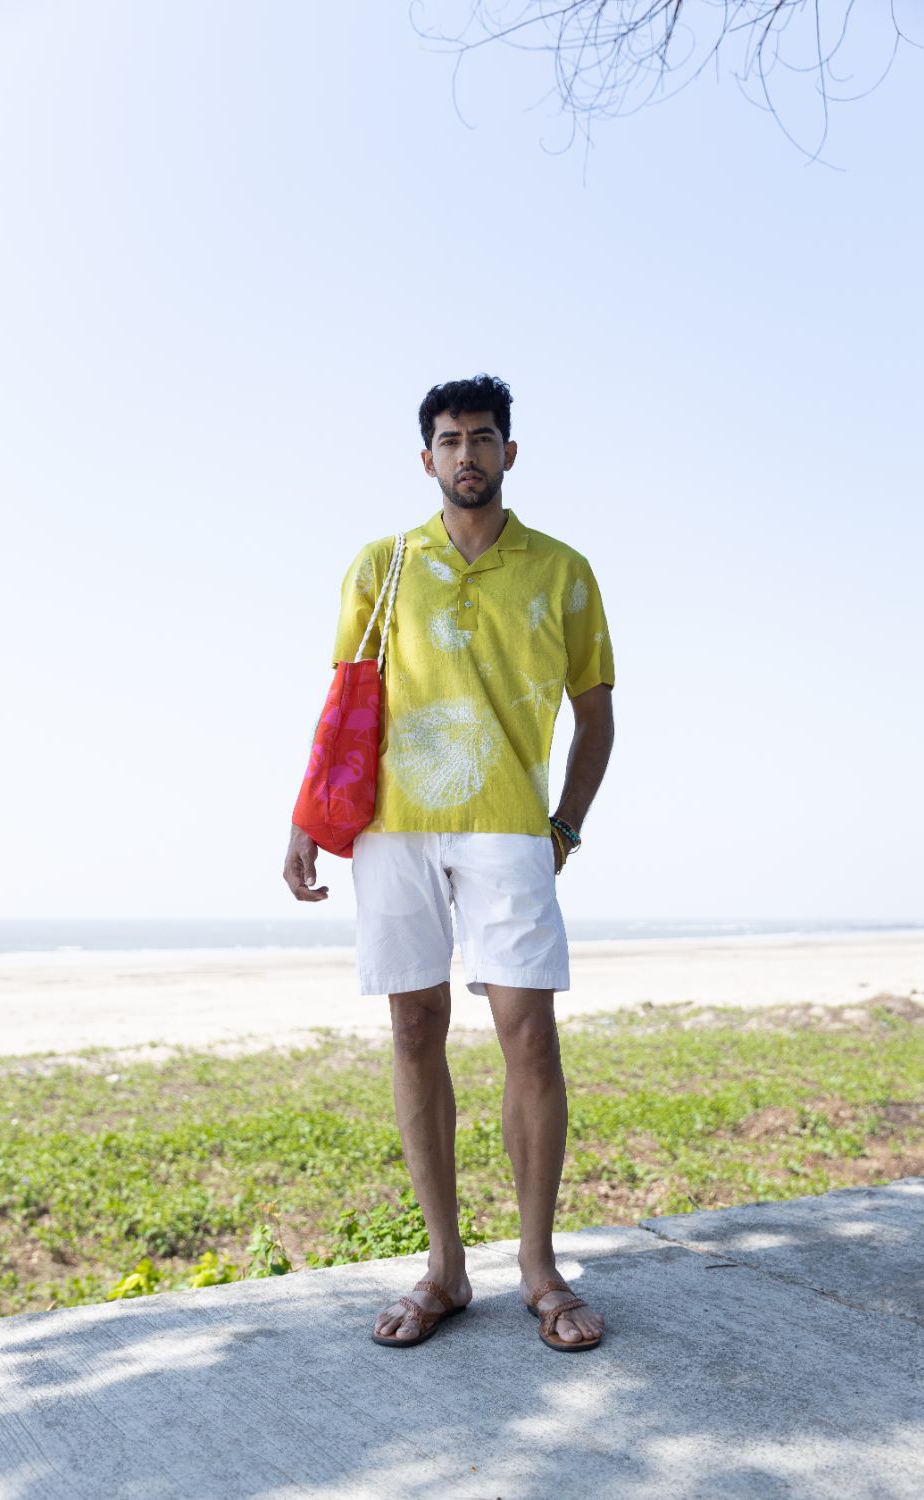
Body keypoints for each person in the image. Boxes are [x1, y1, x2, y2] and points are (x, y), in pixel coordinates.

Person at [283, 374, 614, 1352]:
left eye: (482, 437)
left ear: (510, 452)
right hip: (393, 828)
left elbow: (597, 715)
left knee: (528, 1035)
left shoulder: (562, 572)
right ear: (426, 457)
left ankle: (539, 1267)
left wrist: (565, 827)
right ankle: (445, 1267)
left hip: (508, 828)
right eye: (449, 439)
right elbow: (345, 704)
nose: (466, 454)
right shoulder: (382, 564)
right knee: (413, 1028)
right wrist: (305, 818)